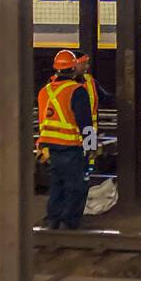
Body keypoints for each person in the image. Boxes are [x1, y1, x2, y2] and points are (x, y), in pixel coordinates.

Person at [37, 49, 93, 230]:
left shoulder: (44, 91)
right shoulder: (77, 91)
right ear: (73, 67)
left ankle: (53, 219)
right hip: (70, 146)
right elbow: (85, 123)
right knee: (76, 185)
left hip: (50, 146)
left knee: (57, 184)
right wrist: (91, 146)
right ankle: (69, 222)